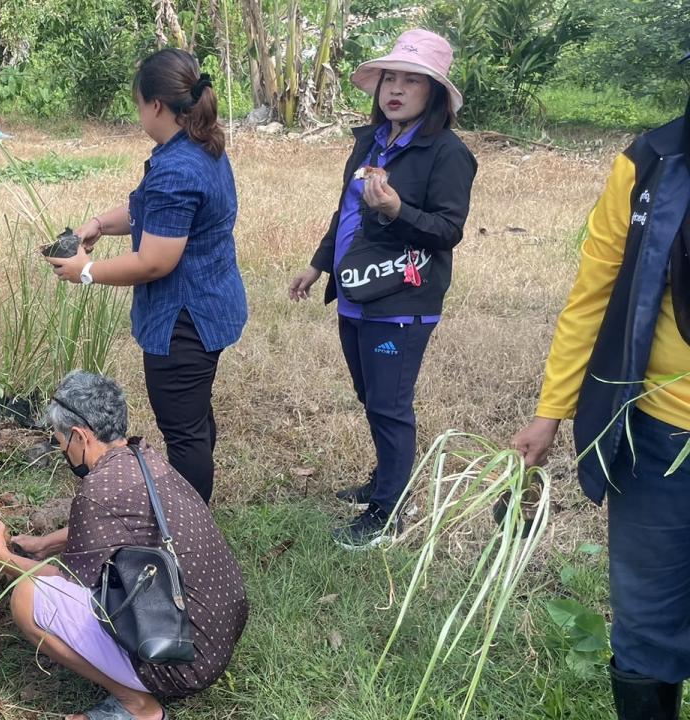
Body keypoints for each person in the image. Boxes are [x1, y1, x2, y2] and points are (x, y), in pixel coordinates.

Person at [511, 52, 690, 720]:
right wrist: (550, 412)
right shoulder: (650, 164)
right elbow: (592, 297)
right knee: (645, 622)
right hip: (658, 440)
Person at [287, 28, 478, 550]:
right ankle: (385, 479)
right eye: (389, 78)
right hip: (356, 289)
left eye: (411, 81)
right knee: (370, 395)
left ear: (434, 92)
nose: (395, 89)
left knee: (390, 404)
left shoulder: (447, 153)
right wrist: (318, 265)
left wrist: (397, 210)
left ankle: (389, 510)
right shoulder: (371, 143)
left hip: (403, 298)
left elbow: (448, 230)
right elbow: (345, 211)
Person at [0, 371, 247, 720]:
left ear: (80, 436)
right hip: (215, 640)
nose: (62, 450)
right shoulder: (143, 456)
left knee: (27, 598)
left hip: (180, 661)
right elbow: (128, 520)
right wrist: (43, 542)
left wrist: (0, 556)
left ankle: (137, 704)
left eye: (61, 442)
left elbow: (65, 580)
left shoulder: (97, 492)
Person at [44, 48, 247, 504]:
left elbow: (157, 259)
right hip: (212, 305)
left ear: (156, 105)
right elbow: (147, 210)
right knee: (193, 415)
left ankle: (187, 529)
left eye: (138, 105)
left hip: (185, 319)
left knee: (183, 430)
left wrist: (87, 272)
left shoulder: (177, 167)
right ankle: (194, 514)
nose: (139, 114)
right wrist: (97, 224)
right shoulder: (200, 144)